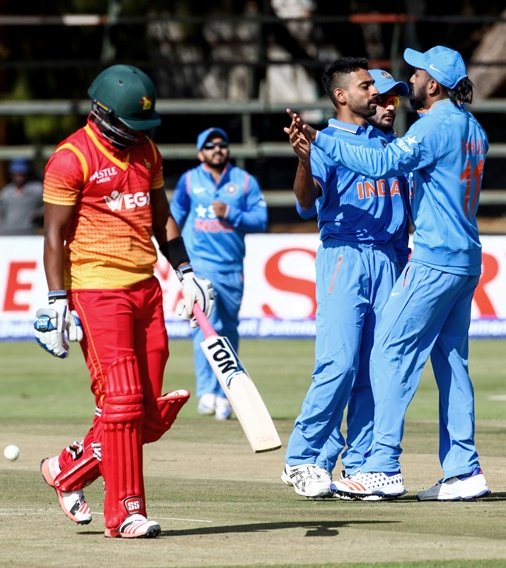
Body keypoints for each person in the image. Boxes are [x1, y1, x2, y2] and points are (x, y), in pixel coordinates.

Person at [289, 45, 491, 501]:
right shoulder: (473, 127)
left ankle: (381, 465)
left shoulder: (434, 124)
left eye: (416, 75)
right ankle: (464, 469)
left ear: (432, 84)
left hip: (431, 258)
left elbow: (382, 164)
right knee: (451, 364)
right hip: (463, 257)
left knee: (385, 354)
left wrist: (319, 139)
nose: (406, 86)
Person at [33, 64, 214, 539]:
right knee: (124, 401)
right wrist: (57, 300)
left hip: (146, 288)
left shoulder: (147, 150)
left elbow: (162, 217)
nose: (137, 137)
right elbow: (54, 235)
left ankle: (67, 471)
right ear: (103, 114)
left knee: (145, 413)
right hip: (96, 289)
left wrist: (186, 272)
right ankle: (126, 512)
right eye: (130, 127)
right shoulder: (71, 158)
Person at [281, 57, 409, 498]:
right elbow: (304, 202)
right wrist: (303, 159)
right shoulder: (325, 140)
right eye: (366, 85)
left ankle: (358, 463)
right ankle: (303, 458)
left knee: (378, 369)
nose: (375, 92)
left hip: (389, 259)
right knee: (338, 363)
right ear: (341, 95)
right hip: (345, 256)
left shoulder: (386, 140)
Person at [170, 127, 268, 420]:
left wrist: (230, 213)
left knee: (228, 329)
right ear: (201, 153)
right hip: (200, 266)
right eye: (210, 146)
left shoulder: (244, 181)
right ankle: (207, 392)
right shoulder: (189, 181)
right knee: (205, 327)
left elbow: (261, 220)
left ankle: (228, 391)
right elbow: (174, 218)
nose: (217, 149)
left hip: (231, 268)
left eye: (222, 145)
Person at [0, 158, 43, 235]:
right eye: (16, 174)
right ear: (11, 174)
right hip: (8, 233)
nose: (19, 177)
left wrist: (39, 213)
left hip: (29, 232)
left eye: (21, 174)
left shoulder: (36, 189)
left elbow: (49, 206)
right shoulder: (6, 192)